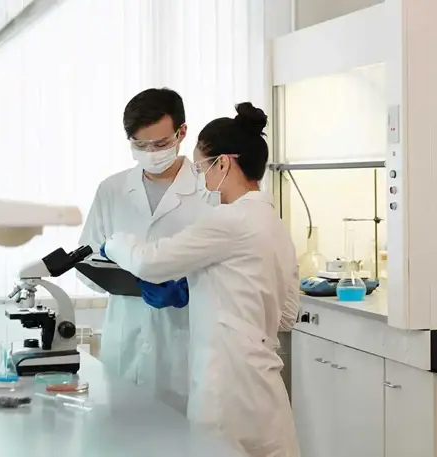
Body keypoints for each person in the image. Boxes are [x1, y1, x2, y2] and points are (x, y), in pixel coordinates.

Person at [99, 102, 301, 457]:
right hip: (265, 385)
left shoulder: (227, 220)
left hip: (224, 388)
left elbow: (150, 262)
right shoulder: (273, 223)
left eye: (201, 167)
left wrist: (113, 243)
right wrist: (201, 289)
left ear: (223, 163)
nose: (200, 178)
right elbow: (286, 315)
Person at [76, 88, 210, 414]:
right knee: (122, 429)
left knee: (181, 433)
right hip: (125, 341)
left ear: (182, 132)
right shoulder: (112, 189)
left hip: (183, 342)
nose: (151, 152)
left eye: (160, 144)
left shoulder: (209, 189)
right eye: (140, 145)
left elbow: (228, 268)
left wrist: (188, 288)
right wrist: (116, 274)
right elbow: (87, 257)